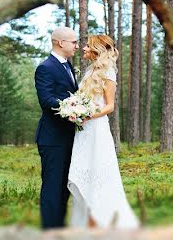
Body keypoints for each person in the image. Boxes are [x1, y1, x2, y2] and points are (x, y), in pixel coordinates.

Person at [68, 34, 139, 229]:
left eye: (87, 45)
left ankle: (102, 222)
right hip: (83, 131)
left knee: (98, 173)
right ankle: (86, 222)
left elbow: (109, 107)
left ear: (97, 49)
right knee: (83, 171)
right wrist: (75, 109)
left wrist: (85, 115)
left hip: (96, 130)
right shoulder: (91, 70)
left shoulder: (108, 72)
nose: (83, 48)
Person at [34, 26, 80, 229]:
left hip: (70, 138)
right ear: (61, 43)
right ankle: (50, 233)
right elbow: (47, 100)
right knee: (52, 188)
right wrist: (75, 108)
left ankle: (60, 230)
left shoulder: (68, 66)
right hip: (53, 139)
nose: (77, 46)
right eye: (74, 42)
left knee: (64, 188)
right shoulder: (45, 67)